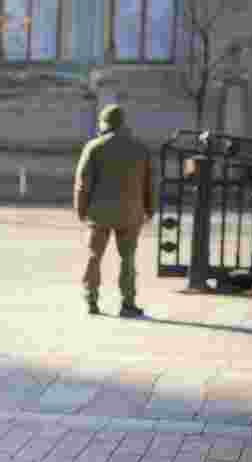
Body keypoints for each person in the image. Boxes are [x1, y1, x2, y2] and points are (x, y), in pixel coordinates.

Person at [74, 104, 155, 317]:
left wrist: (81, 210)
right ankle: (128, 303)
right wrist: (150, 209)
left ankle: (91, 300)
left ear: (104, 124)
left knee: (94, 256)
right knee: (127, 259)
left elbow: (83, 183)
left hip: (99, 213)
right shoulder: (140, 148)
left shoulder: (94, 147)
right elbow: (149, 183)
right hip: (131, 213)